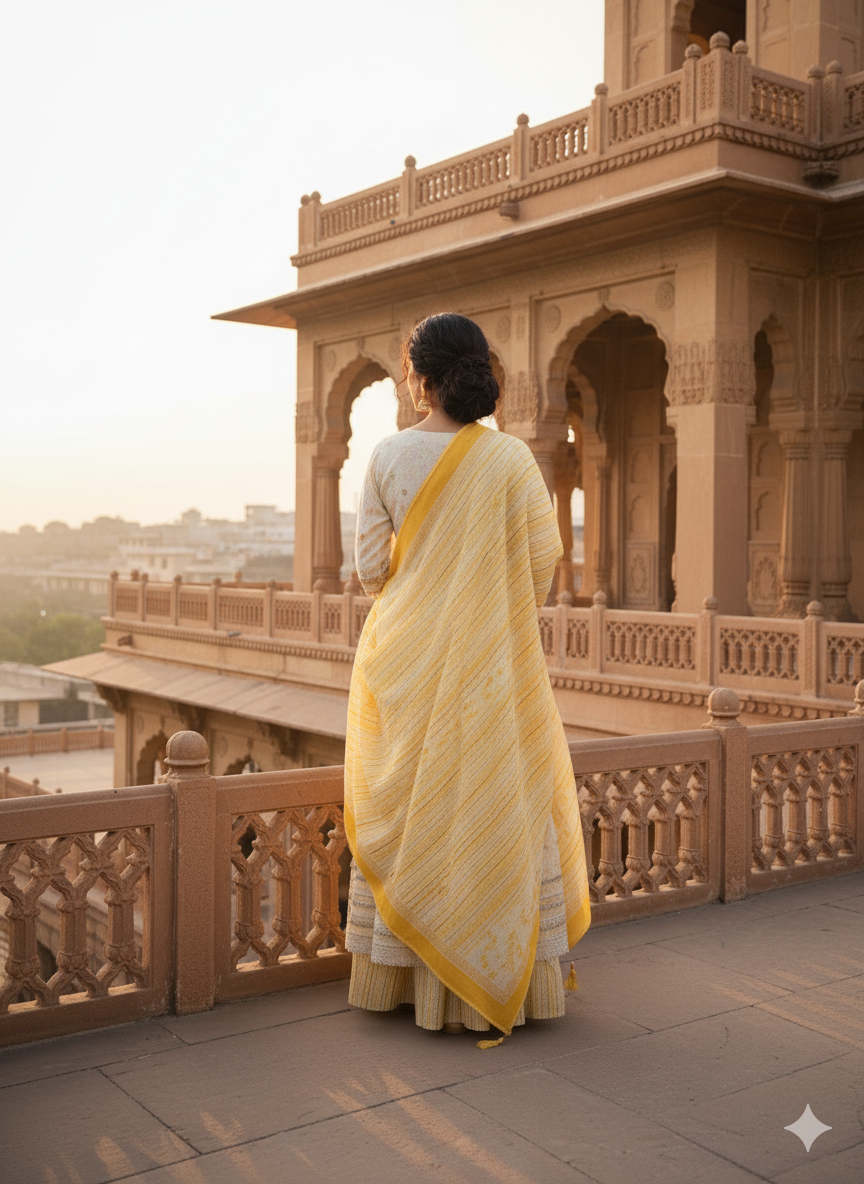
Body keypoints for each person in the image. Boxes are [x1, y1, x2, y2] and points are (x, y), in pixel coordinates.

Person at [344, 312, 590, 1038]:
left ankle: (405, 985)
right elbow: (543, 561)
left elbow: (369, 571)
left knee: (414, 811)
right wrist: (487, 606)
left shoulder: (389, 457)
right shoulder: (511, 459)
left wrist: (427, 581)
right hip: (491, 664)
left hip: (405, 661)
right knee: (491, 803)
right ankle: (499, 979)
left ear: (419, 379)